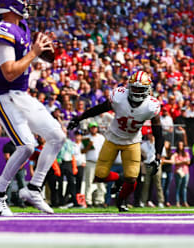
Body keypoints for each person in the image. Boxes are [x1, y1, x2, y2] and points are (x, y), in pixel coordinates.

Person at [0, 0, 66, 216]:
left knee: (57, 136)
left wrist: (44, 55)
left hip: (21, 96)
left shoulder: (22, 27)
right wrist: (34, 53)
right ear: (12, 2)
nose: (27, 3)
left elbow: (28, 60)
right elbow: (9, 71)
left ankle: (33, 189)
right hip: (4, 97)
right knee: (26, 145)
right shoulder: (2, 31)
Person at [69, 70, 163, 212]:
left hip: (132, 141)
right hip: (113, 138)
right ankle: (119, 179)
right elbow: (99, 109)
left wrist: (158, 157)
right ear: (129, 87)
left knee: (132, 178)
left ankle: (121, 201)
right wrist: (79, 118)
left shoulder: (151, 107)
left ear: (147, 90)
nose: (137, 92)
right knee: (100, 176)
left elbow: (158, 133)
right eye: (135, 88)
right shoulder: (119, 97)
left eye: (140, 89)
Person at [82, 123, 106, 207]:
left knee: (101, 183)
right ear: (89, 129)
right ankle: (88, 201)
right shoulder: (86, 138)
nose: (93, 129)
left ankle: (99, 200)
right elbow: (82, 151)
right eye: (92, 128)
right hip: (90, 162)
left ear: (97, 128)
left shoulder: (101, 138)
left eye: (95, 127)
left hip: (100, 162)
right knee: (89, 182)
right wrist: (88, 146)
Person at [171, 140, 190, 207]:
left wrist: (181, 162)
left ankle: (184, 201)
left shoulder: (186, 153)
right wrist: (183, 161)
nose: (180, 146)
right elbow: (175, 162)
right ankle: (177, 202)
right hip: (178, 172)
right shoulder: (175, 154)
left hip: (185, 171)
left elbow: (188, 162)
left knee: (184, 187)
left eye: (181, 145)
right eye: (179, 145)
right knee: (178, 187)